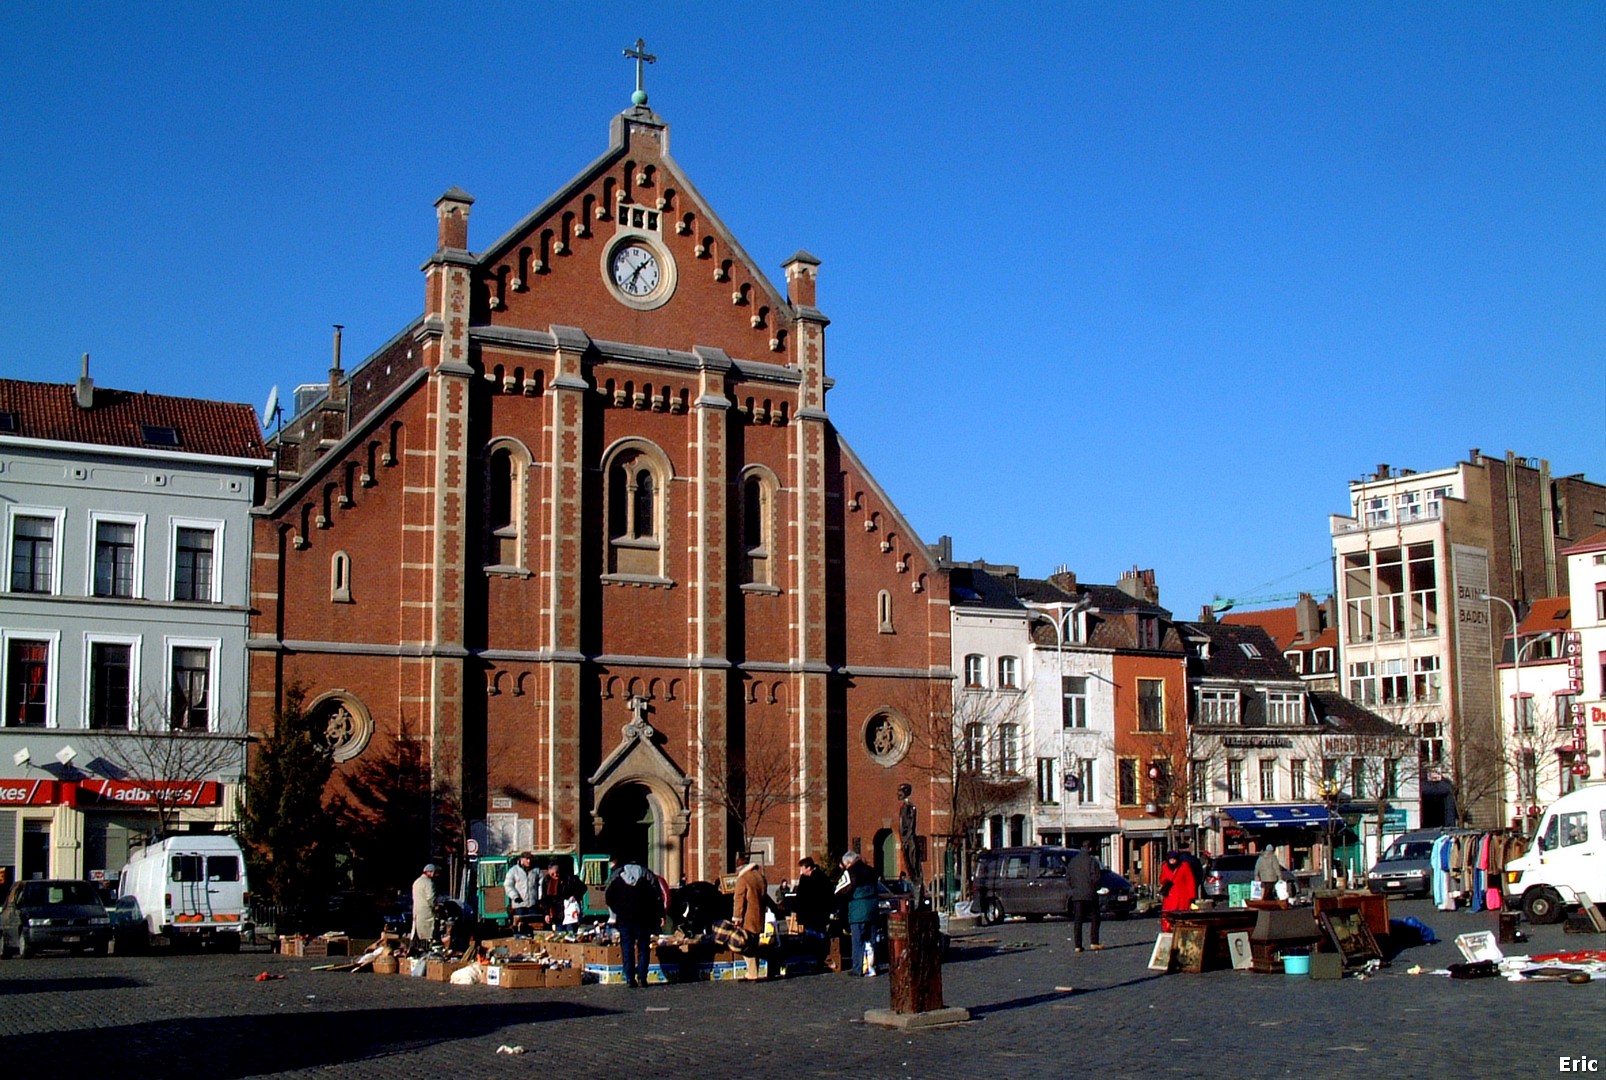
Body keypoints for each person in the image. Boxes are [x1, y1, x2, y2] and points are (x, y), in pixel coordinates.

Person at [604, 854, 663, 988]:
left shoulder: (617, 878)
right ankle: (643, 977)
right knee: (643, 948)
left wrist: (618, 909)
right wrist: (658, 914)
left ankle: (630, 977)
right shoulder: (646, 877)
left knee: (627, 947)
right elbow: (656, 897)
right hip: (643, 918)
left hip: (624, 918)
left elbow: (608, 897)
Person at [838, 851, 882, 976]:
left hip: (858, 909)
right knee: (872, 939)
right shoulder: (871, 870)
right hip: (873, 908)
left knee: (858, 941)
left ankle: (858, 968)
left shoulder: (850, 872)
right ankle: (872, 966)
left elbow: (841, 890)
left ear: (849, 863)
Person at [731, 855, 771, 981]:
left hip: (747, 917)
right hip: (758, 916)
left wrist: (737, 918)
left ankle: (752, 973)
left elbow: (739, 900)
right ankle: (754, 971)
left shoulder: (743, 879)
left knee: (745, 945)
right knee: (754, 944)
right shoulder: (760, 877)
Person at [1066, 840, 1103, 952]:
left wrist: (1074, 888)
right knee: (1095, 918)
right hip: (1090, 894)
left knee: (1078, 920)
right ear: (1090, 848)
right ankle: (1094, 942)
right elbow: (1096, 878)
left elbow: (1068, 878)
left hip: (1077, 895)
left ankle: (1078, 945)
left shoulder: (1073, 861)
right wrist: (1095, 888)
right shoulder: (1092, 861)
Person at [791, 856, 833, 935]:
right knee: (809, 938)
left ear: (809, 868)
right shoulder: (804, 879)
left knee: (818, 938)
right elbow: (800, 896)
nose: (801, 871)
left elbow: (827, 896)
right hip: (807, 916)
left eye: (802, 868)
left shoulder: (821, 878)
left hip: (819, 915)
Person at [1158, 850, 1198, 933]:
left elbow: (1190, 882)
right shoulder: (1165, 866)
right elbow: (1162, 878)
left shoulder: (1184, 866)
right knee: (1168, 915)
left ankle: (1183, 930)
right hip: (1169, 895)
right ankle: (1169, 930)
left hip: (1183, 896)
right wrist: (1166, 881)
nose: (1172, 861)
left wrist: (1192, 897)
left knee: (1182, 915)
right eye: (1170, 859)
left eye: (1174, 859)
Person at [504, 852, 541, 932]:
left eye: (530, 859)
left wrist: (540, 897)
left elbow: (541, 884)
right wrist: (515, 896)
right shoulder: (513, 871)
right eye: (527, 859)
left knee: (534, 927)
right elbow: (508, 885)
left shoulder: (536, 870)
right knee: (519, 927)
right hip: (519, 905)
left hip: (533, 904)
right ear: (521, 859)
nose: (529, 861)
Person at [411, 863, 438, 947]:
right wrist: (435, 907)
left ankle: (415, 948)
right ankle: (426, 948)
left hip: (416, 910)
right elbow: (430, 898)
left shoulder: (416, 882)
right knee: (427, 933)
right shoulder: (429, 883)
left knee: (416, 931)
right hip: (426, 911)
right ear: (430, 872)